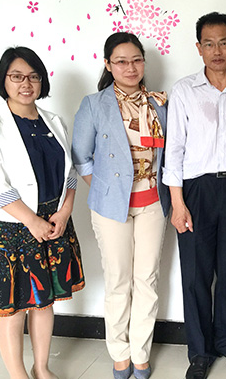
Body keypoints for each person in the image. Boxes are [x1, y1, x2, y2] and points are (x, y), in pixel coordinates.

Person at [163, 12, 226, 379]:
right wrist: (177, 203)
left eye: (223, 43)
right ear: (199, 48)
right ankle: (199, 351)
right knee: (195, 275)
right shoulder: (184, 91)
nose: (217, 50)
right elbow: (174, 149)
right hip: (196, 191)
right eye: (209, 44)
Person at [0, 47, 85, 379]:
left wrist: (64, 213)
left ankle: (41, 368)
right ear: (3, 80)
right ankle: (18, 375)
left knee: (44, 301)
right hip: (12, 227)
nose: (26, 83)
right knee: (12, 310)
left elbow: (69, 174)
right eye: (17, 76)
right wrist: (31, 220)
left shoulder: (55, 122)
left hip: (53, 223)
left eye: (33, 76)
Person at [72, 32, 169, 379]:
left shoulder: (159, 103)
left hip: (153, 203)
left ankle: (141, 353)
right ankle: (120, 353)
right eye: (121, 61)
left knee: (147, 279)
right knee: (118, 280)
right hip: (111, 206)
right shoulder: (94, 104)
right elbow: (81, 157)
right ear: (108, 65)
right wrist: (105, 189)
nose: (130, 67)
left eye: (136, 60)